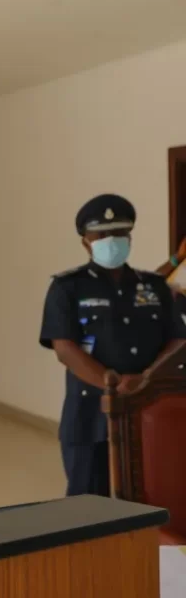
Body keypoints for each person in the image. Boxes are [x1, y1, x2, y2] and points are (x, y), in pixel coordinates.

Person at [39, 193, 186, 497]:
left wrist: (147, 381)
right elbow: (65, 348)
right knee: (88, 505)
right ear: (86, 242)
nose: (111, 241)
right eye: (102, 235)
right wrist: (116, 386)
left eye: (119, 233)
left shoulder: (154, 286)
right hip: (90, 415)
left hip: (148, 410)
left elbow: (177, 340)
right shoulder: (67, 287)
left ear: (129, 237)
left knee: (149, 499)